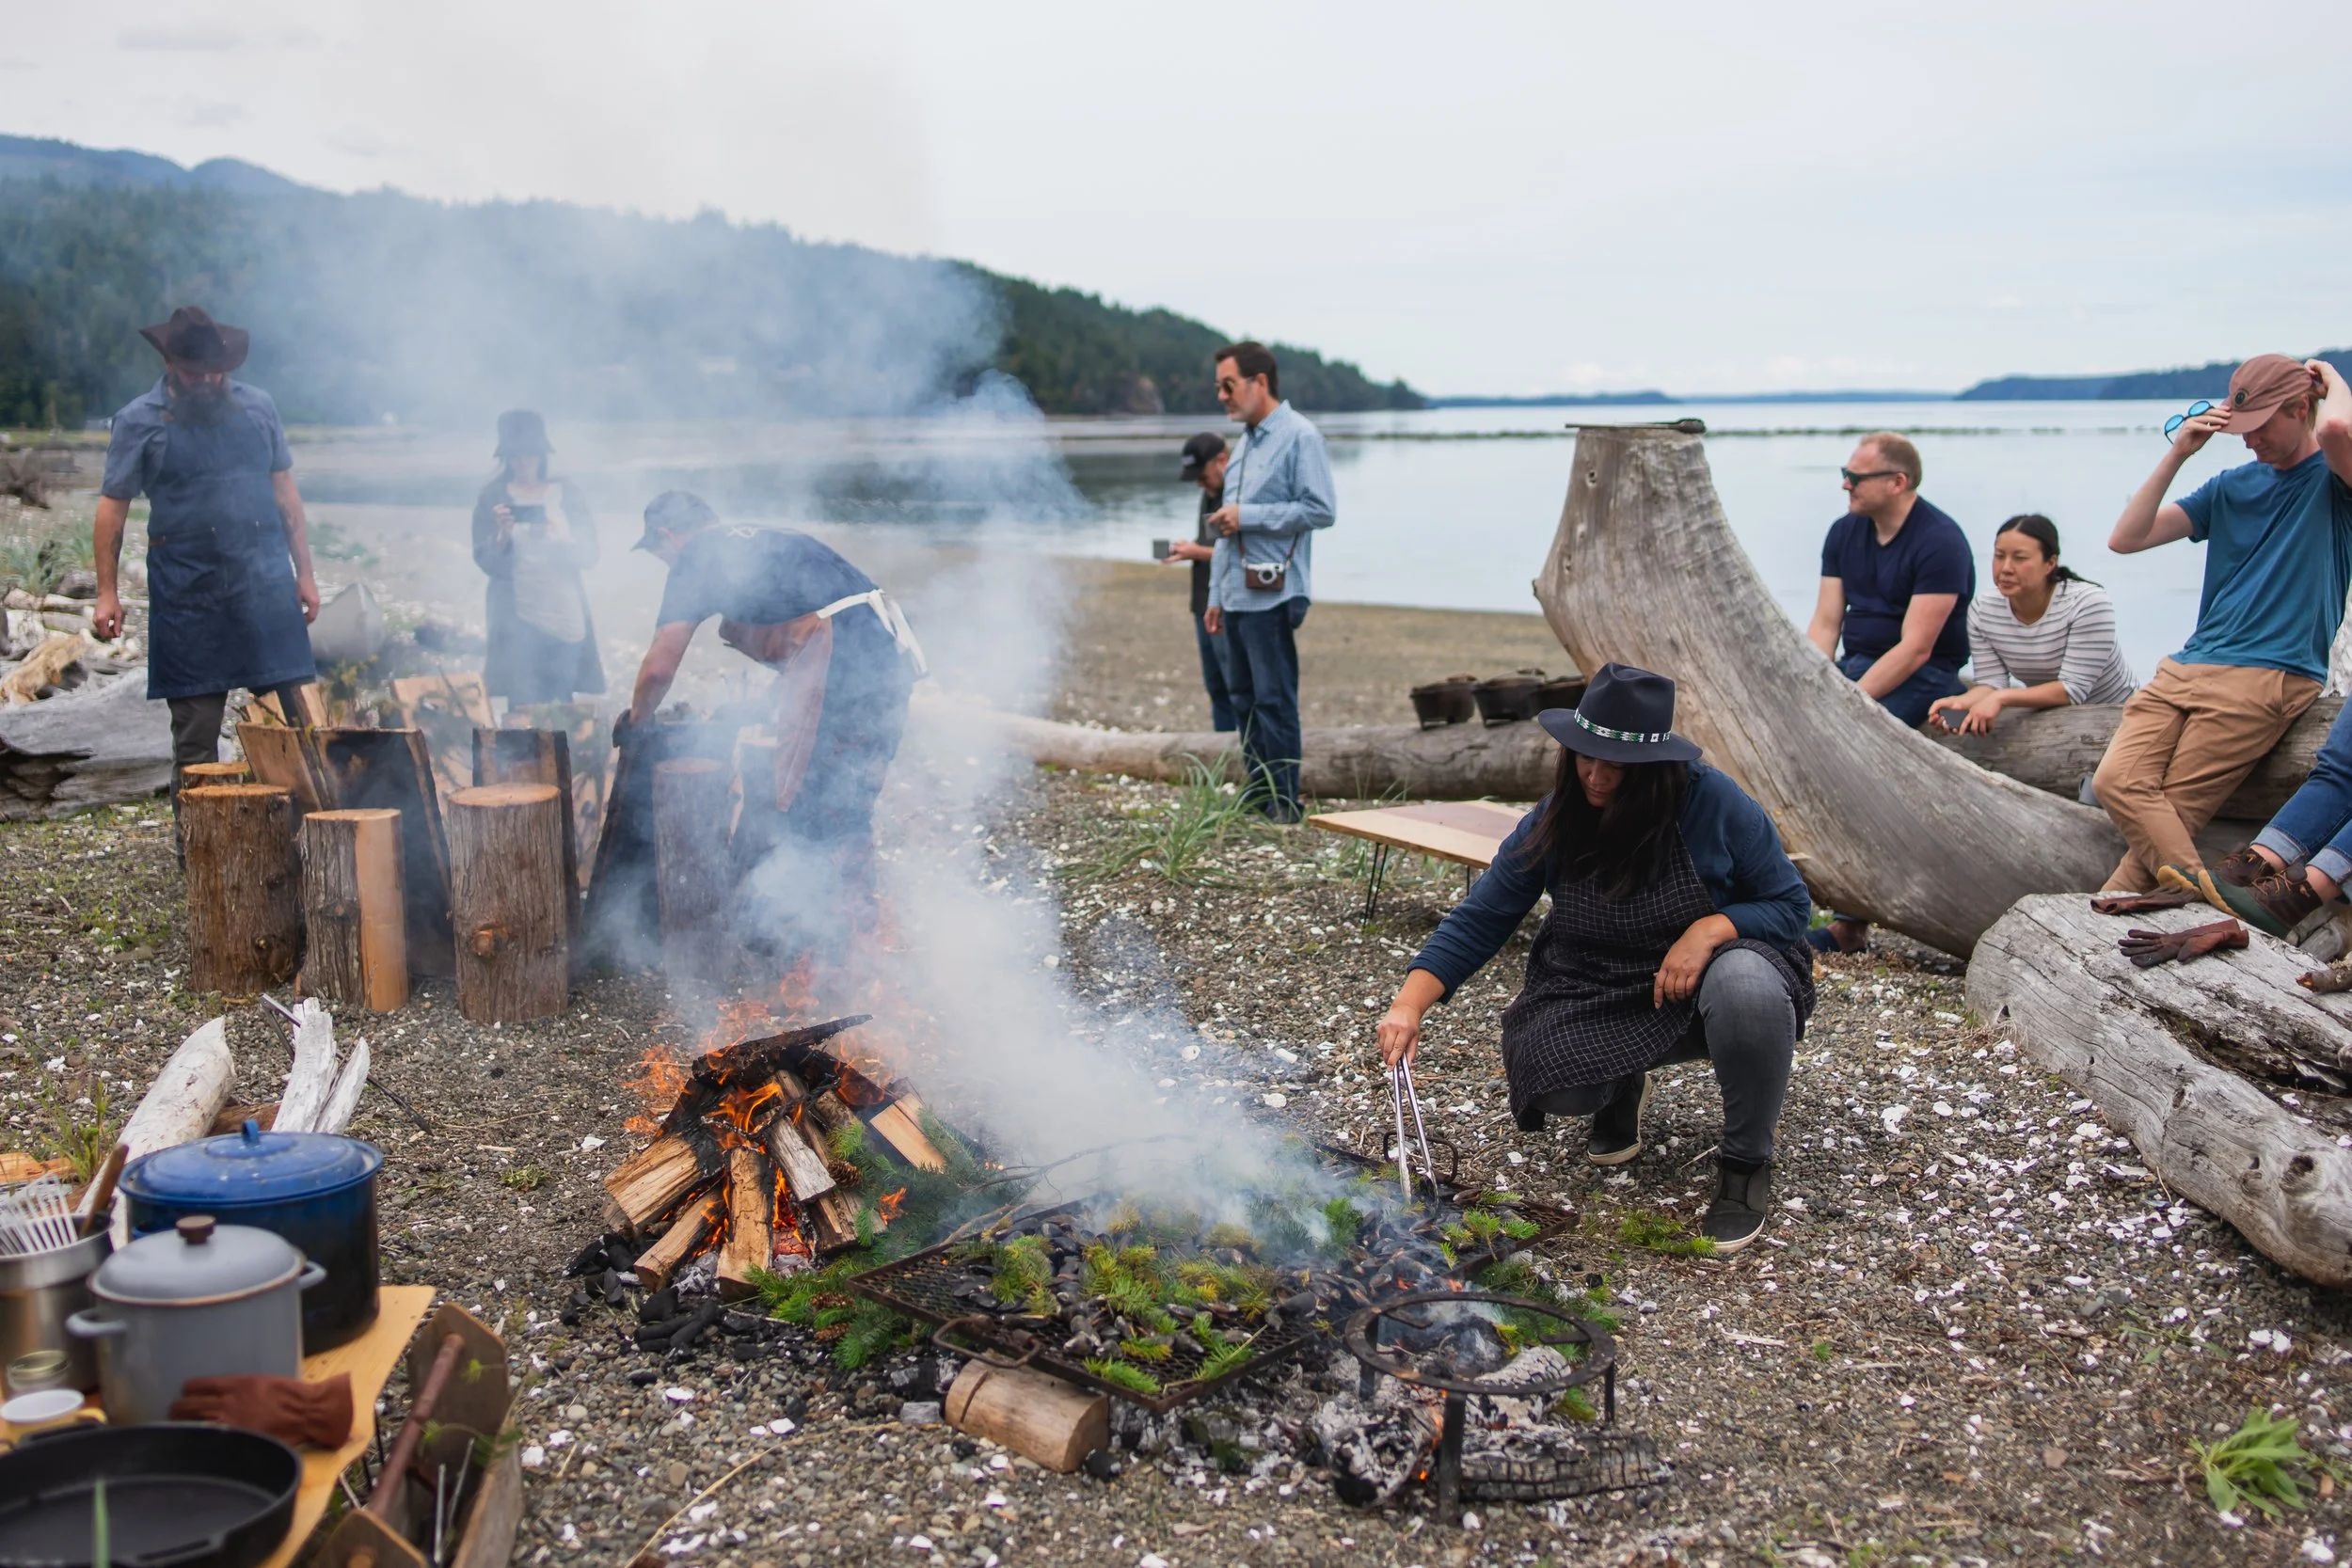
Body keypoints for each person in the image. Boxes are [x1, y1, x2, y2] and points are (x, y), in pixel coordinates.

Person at [1374, 664, 1815, 1253]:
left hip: (1713, 973)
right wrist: (1409, 1005)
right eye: (1585, 756)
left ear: (1656, 767)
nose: (1597, 776)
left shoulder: (1716, 804)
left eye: (1616, 765)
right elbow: (1484, 915)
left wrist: (1714, 927)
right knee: (1558, 1088)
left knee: (1749, 993)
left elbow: (1790, 906)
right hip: (1598, 978)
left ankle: (1744, 1167)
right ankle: (1619, 1084)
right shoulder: (1559, 814)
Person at [624, 492, 925, 955]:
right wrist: (759, 708)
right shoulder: (762, 540)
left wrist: (636, 723)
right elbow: (813, 633)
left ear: (668, 535)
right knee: (849, 802)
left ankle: (819, 948)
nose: (664, 562)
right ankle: (858, 937)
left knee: (812, 806)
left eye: (658, 552)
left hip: (845, 667)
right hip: (887, 657)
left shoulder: (695, 558)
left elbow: (661, 664)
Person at [2096, 356, 2352, 894]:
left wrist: (2331, 376)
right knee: (2116, 782)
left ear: (2301, 407)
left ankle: (2099, 925)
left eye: (2258, 428)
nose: (2247, 441)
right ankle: (2204, 899)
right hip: (2190, 663)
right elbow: (2126, 537)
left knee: (2175, 813)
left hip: (2269, 673)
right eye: (2238, 428)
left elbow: (2336, 428)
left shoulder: (2334, 483)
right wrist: (2179, 453)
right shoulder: (2230, 486)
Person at [89, 306, 320, 832]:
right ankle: (202, 862)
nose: (208, 380)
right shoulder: (139, 419)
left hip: (264, 580)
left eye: (216, 370)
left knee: (295, 723)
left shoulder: (259, 408)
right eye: (196, 371)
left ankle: (310, 843)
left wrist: (304, 573)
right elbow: (112, 508)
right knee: (196, 738)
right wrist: (107, 593)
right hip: (187, 586)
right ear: (171, 363)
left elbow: (285, 493)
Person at [1804, 431, 1972, 950]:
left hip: (1924, 675)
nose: (1845, 485)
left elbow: (1917, 648)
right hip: (1856, 663)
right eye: (1845, 474)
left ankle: (1851, 921)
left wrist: (1845, 707)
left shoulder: (1940, 540)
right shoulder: (1843, 532)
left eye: (1856, 477)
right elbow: (1827, 622)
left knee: (1852, 761)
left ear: (1897, 482)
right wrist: (1808, 682)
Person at [1206, 341, 1336, 823]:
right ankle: (1259, 792)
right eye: (1217, 386)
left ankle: (1286, 801)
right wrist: (1216, 594)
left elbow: (1321, 510)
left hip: (1277, 591)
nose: (1221, 395)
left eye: (1228, 384)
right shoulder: (1243, 444)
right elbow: (1225, 530)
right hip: (1237, 594)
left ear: (1259, 382)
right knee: (1242, 698)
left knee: (1274, 699)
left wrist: (1249, 516)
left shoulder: (1300, 436)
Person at [1927, 515, 2136, 736]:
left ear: (2050, 564)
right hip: (2051, 718)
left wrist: (1999, 699)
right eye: (1999, 556)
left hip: (2117, 717)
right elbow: (1992, 683)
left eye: (2020, 558)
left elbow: (2071, 691)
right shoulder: (1984, 609)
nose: (2006, 568)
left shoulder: (2087, 603)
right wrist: (1962, 702)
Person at [473, 410, 604, 708]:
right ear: (506, 457)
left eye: (530, 454)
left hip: (564, 613)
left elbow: (590, 554)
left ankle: (566, 753)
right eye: (515, 455)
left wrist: (561, 536)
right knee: (522, 703)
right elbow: (485, 561)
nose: (523, 462)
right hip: (517, 617)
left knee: (561, 701)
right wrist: (502, 536)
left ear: (542, 454)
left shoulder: (566, 493)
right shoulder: (492, 497)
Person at [1164, 433, 1234, 731]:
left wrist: (1196, 552)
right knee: (1216, 688)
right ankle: (1222, 751)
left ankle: (1244, 752)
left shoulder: (1235, 497)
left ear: (1221, 460)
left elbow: (1237, 553)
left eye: (1202, 475)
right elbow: (1213, 545)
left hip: (1226, 605)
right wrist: (1187, 549)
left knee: (1236, 687)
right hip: (1201, 603)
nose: (1199, 483)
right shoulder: (1209, 494)